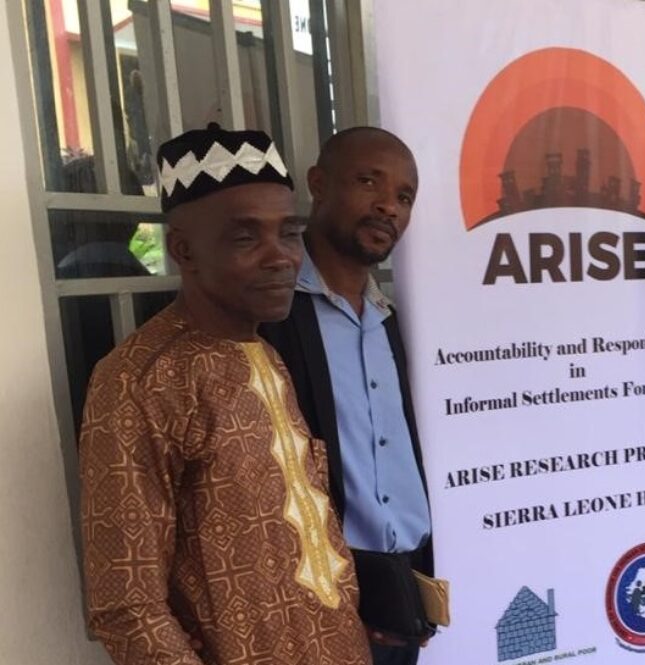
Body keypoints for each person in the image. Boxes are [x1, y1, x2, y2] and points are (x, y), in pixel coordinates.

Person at [79, 124, 370, 665]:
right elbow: (126, 608)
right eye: (245, 237)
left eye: (287, 233)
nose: (282, 257)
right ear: (183, 250)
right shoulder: (138, 380)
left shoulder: (267, 355)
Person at [261, 126, 434, 665]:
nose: (389, 207)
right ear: (318, 183)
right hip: (319, 605)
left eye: (404, 197)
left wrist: (414, 586)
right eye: (368, 182)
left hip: (402, 597)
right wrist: (341, 594)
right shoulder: (272, 317)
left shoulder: (392, 325)